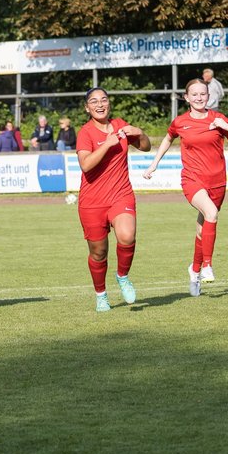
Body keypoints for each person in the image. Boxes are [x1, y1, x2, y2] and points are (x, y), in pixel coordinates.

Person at [143, 79, 228, 296]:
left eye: (203, 94)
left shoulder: (218, 119)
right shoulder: (180, 122)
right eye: (195, 94)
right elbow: (168, 138)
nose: (199, 98)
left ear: (208, 96)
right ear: (186, 97)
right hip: (192, 180)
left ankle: (194, 269)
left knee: (202, 229)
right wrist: (154, 164)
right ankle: (208, 265)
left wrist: (227, 127)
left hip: (218, 182)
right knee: (211, 213)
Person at [75, 87, 150, 312]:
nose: (100, 104)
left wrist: (139, 132)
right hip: (92, 202)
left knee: (127, 236)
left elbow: (145, 147)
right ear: (87, 108)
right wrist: (107, 144)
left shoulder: (120, 125)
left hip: (121, 194)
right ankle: (101, 295)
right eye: (94, 101)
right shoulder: (85, 133)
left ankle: (123, 276)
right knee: (99, 252)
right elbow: (85, 165)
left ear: (109, 103)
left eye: (104, 100)